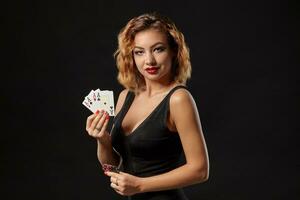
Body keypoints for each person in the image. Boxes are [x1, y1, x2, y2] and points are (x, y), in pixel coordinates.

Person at [85, 12, 209, 200]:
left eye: (158, 49)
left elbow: (200, 170)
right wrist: (102, 140)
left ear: (174, 51)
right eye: (139, 52)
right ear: (131, 56)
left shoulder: (178, 99)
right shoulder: (125, 96)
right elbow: (114, 165)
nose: (149, 60)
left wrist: (141, 185)